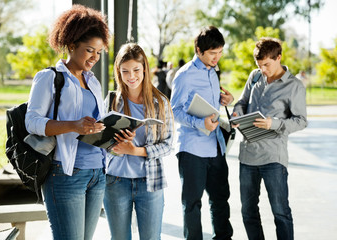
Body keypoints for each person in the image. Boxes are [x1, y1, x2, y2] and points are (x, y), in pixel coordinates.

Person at [24, 5, 109, 240]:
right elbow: (32, 121)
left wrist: (113, 133)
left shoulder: (93, 82)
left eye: (99, 52)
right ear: (72, 45)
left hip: (97, 174)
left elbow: (95, 126)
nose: (95, 57)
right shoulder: (49, 78)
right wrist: (73, 125)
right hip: (65, 174)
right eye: (89, 50)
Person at [232, 37, 307, 240]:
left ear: (278, 58)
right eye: (259, 65)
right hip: (247, 156)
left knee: (280, 213)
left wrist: (273, 123)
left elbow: (301, 121)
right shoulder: (255, 77)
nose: (263, 69)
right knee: (248, 212)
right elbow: (242, 102)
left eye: (267, 64)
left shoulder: (294, 86)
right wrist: (237, 113)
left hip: (273, 158)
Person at [103, 43, 174, 240]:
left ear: (145, 69)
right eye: (125, 71)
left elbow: (168, 145)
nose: (131, 76)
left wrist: (135, 150)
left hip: (149, 182)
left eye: (136, 69)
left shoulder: (160, 103)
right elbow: (101, 145)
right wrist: (116, 144)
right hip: (115, 181)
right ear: (118, 72)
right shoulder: (111, 101)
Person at [170, 26, 234, 240]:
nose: (217, 57)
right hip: (192, 149)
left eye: (220, 52)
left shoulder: (213, 72)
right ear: (199, 50)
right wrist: (200, 123)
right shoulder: (184, 75)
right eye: (213, 53)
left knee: (220, 199)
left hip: (215, 147)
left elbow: (210, 105)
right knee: (192, 204)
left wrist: (224, 100)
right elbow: (174, 111)